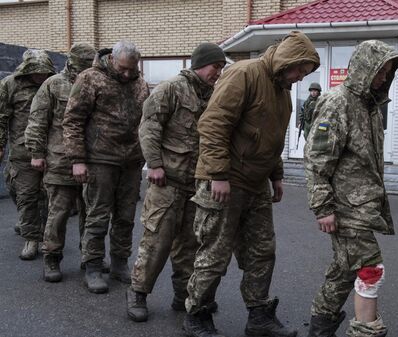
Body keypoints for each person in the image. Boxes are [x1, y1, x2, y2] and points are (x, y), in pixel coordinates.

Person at [183, 31, 320, 337]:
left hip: (256, 183)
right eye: (299, 70)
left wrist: (277, 175)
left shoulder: (282, 89)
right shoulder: (244, 74)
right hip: (225, 180)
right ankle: (196, 314)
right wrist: (218, 175)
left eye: (306, 74)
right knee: (215, 253)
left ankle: (258, 317)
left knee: (262, 251)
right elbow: (213, 124)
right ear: (287, 60)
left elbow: (272, 139)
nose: (300, 78)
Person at [304, 40, 398, 337]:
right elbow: (318, 159)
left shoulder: (369, 106)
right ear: (364, 69)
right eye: (380, 71)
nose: (384, 78)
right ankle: (366, 332)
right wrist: (322, 208)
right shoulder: (337, 102)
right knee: (371, 270)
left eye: (387, 72)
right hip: (346, 208)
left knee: (344, 270)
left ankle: (320, 327)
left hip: (363, 205)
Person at [126, 43, 226, 323]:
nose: (218, 73)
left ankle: (184, 294)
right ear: (200, 64)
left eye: (221, 68)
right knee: (157, 240)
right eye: (214, 67)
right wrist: (154, 164)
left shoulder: (214, 95)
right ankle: (137, 292)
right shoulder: (171, 88)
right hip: (167, 179)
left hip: (196, 183)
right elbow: (149, 126)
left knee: (190, 243)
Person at [62, 40, 149, 294]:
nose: (126, 74)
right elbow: (73, 120)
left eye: (131, 69)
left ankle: (120, 264)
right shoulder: (89, 78)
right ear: (112, 59)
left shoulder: (139, 83)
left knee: (126, 217)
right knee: (97, 215)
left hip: (131, 161)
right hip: (99, 159)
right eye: (122, 68)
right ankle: (93, 267)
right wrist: (77, 159)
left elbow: (147, 121)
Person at [24, 43, 96, 282]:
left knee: (91, 212)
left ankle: (90, 257)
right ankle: (52, 257)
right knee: (59, 212)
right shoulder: (53, 84)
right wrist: (36, 152)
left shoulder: (96, 82)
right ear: (71, 63)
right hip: (59, 158)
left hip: (93, 160)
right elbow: (37, 120)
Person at [0, 49, 55, 260]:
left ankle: (39, 234)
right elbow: (1, 117)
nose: (40, 76)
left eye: (44, 72)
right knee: (24, 193)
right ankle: (31, 237)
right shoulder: (9, 85)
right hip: (22, 150)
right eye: (36, 72)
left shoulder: (53, 83)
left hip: (50, 149)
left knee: (47, 195)